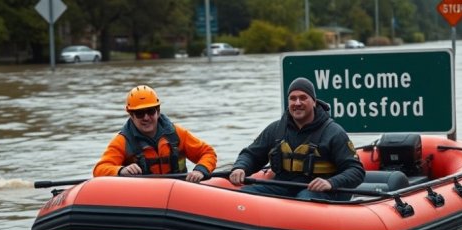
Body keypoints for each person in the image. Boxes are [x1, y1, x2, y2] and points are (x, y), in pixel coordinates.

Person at [229, 77, 365, 200]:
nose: (297, 103)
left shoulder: (333, 132)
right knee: (245, 195)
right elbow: (251, 155)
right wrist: (240, 167)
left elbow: (356, 171)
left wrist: (331, 182)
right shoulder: (276, 129)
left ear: (314, 102)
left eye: (303, 98)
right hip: (283, 186)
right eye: (293, 98)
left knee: (304, 199)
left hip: (320, 191)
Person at [93, 85, 217, 182]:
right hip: (144, 198)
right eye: (140, 113)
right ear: (131, 114)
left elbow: (208, 153)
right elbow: (99, 169)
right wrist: (121, 170)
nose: (146, 118)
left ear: (158, 111)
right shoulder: (123, 141)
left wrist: (200, 171)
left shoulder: (177, 134)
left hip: (178, 191)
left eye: (151, 111)